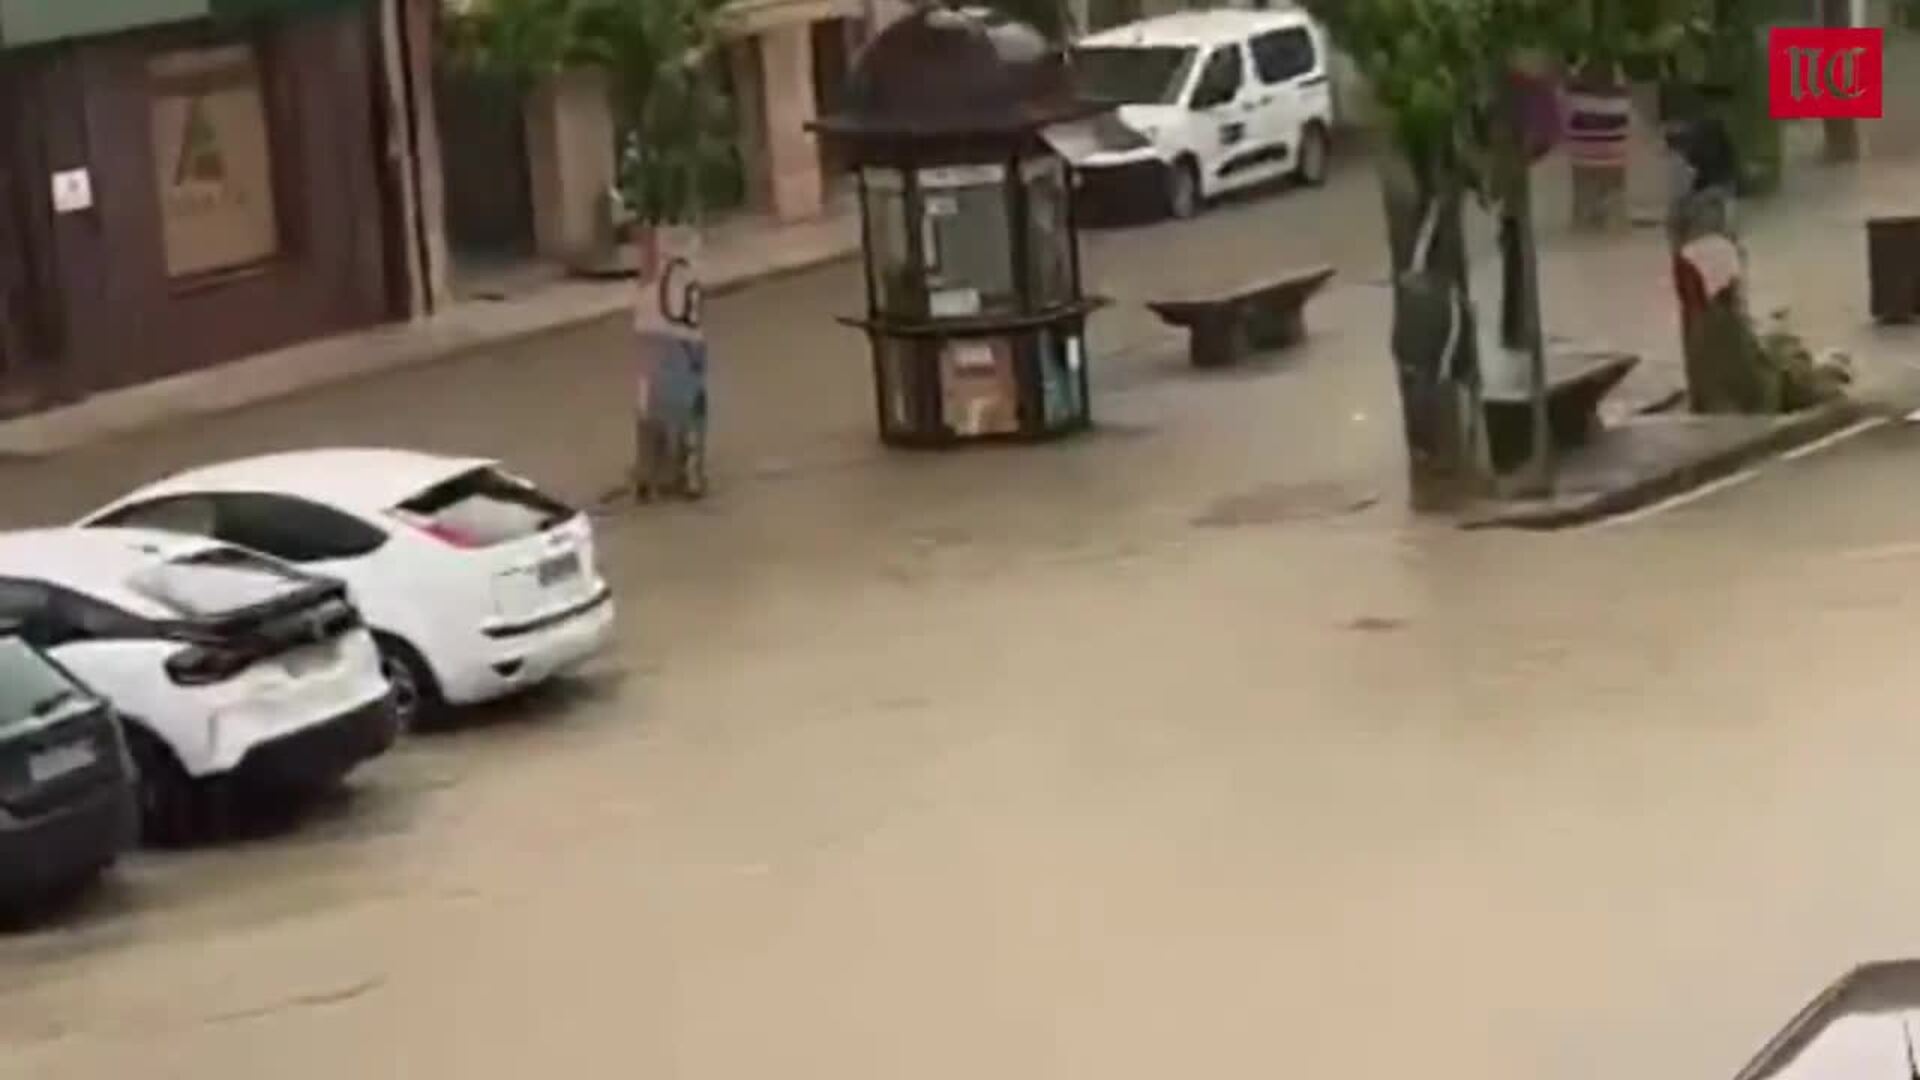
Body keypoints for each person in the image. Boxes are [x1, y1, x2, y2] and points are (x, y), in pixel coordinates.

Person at [632, 224, 708, 501]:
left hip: (663, 308)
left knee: (654, 392)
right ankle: (686, 468)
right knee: (685, 388)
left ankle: (653, 470)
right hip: (680, 311)